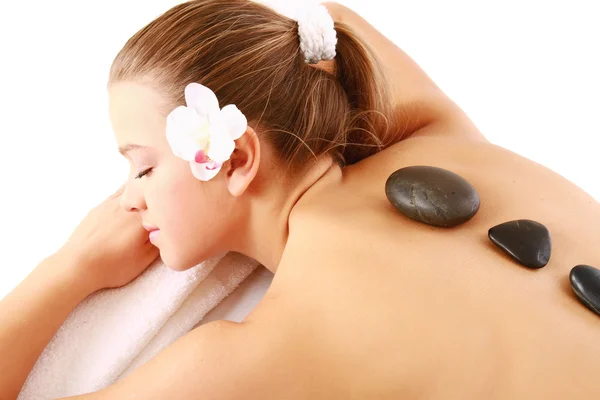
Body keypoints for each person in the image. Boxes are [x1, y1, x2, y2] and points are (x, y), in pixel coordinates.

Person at [1, 0, 599, 398]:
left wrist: (68, 270)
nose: (128, 199)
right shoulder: (443, 141)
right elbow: (321, 24)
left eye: (143, 166)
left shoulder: (262, 353)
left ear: (236, 158)